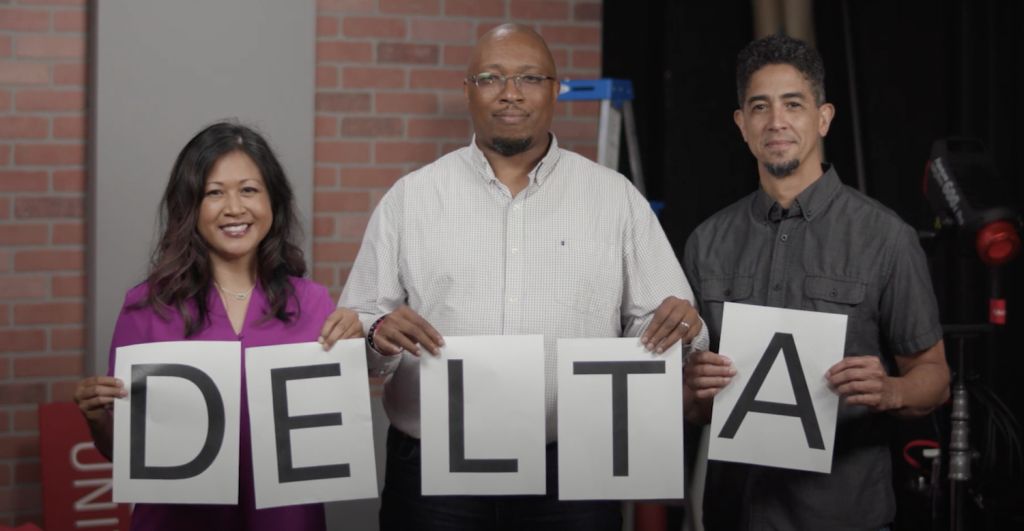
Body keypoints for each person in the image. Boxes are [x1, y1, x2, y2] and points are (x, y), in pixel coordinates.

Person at [316, 23, 708, 531]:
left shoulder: (615, 199)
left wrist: (671, 330)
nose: (510, 93)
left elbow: (672, 329)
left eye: (529, 78)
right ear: (466, 91)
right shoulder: (410, 199)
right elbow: (360, 333)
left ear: (555, 89)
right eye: (491, 78)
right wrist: (377, 335)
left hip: (573, 470)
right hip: (435, 474)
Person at [682, 35, 951, 531]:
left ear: (823, 118)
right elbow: (695, 408)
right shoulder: (707, 242)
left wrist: (890, 390)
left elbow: (934, 376)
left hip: (842, 515)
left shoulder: (886, 238)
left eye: (793, 104)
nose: (776, 121)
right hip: (733, 513)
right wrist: (693, 388)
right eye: (759, 107)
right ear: (742, 124)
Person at [72, 121, 364, 531]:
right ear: (189, 207)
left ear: (273, 201)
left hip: (286, 522)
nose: (234, 208)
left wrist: (357, 351)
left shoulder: (313, 302)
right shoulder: (146, 307)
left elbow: (331, 434)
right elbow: (123, 451)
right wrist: (97, 418)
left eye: (249, 189)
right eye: (214, 193)